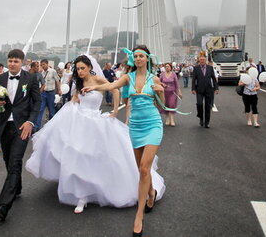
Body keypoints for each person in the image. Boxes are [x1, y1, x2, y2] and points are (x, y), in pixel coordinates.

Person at [27, 54, 163, 214]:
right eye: (78, 69)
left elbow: (115, 89)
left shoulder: (98, 79)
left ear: (90, 67)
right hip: (78, 119)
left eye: (82, 68)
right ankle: (81, 195)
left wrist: (113, 112)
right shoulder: (78, 81)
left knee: (93, 155)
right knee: (75, 154)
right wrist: (69, 106)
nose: (80, 71)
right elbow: (76, 98)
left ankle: (91, 191)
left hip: (95, 121)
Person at [83, 45, 164, 237]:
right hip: (136, 126)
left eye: (141, 56)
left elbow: (165, 104)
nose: (138, 59)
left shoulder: (155, 79)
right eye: (135, 56)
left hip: (153, 124)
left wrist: (161, 91)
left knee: (145, 168)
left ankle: (139, 215)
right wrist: (95, 86)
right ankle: (150, 192)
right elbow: (111, 85)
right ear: (132, 59)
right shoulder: (128, 78)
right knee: (141, 169)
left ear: (147, 58)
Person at [0, 49, 41, 222]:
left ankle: (4, 205)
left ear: (22, 62)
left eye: (16, 61)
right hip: (5, 125)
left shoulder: (31, 78)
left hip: (22, 126)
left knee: (15, 161)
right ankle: (16, 187)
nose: (12, 64)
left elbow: (37, 102)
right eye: (10, 61)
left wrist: (31, 122)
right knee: (7, 161)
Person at [191, 52, 219, 128]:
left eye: (203, 59)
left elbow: (213, 79)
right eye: (201, 59)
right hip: (199, 90)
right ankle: (200, 117)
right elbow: (194, 79)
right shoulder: (196, 68)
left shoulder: (210, 68)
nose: (202, 61)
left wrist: (216, 88)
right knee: (199, 104)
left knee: (207, 106)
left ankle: (207, 122)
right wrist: (193, 88)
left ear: (205, 60)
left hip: (209, 90)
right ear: (199, 60)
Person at [34, 59, 60, 131]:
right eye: (41, 65)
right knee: (40, 109)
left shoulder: (53, 71)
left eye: (43, 64)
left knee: (51, 110)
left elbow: (57, 81)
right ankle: (36, 126)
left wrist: (59, 90)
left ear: (47, 64)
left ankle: (51, 126)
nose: (42, 66)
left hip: (51, 93)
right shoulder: (41, 72)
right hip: (43, 93)